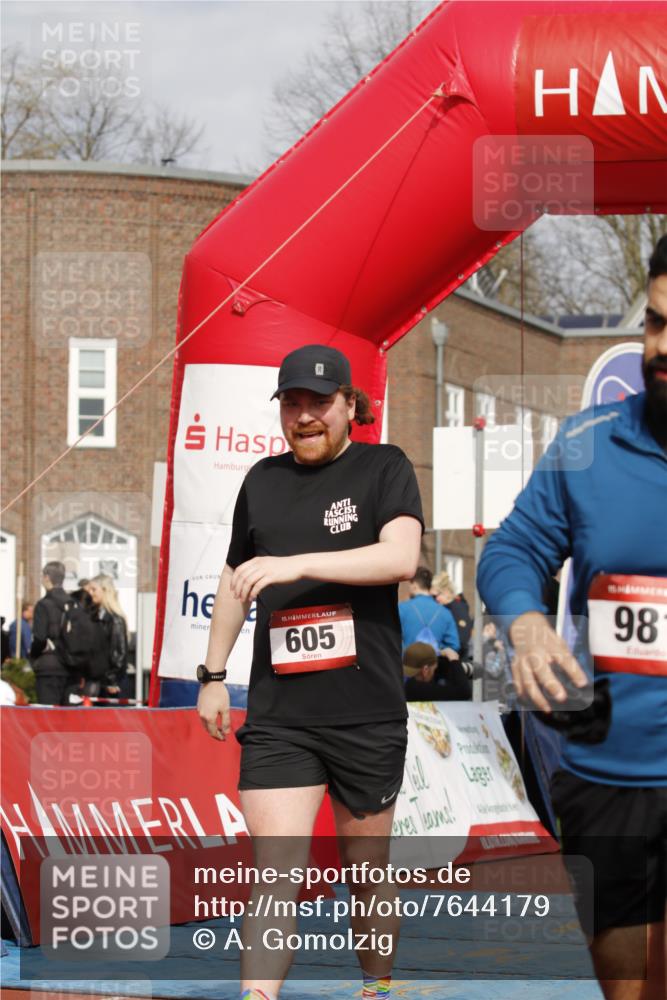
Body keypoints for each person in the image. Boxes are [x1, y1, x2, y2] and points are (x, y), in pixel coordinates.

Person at [197, 344, 423, 1000]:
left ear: (350, 406)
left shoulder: (384, 467)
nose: (304, 416)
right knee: (275, 872)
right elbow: (234, 580)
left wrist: (297, 564)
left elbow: (400, 558)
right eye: (291, 403)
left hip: (364, 711)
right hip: (280, 720)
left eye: (319, 403)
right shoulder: (261, 481)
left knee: (365, 872)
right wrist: (212, 675)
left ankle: (376, 984)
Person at [477, 235, 667, 1000]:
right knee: (620, 986)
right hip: (605, 773)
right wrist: (524, 621)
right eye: (655, 323)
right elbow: (510, 551)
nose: (663, 346)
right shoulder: (585, 447)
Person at [29, 562, 76, 705]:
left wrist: (33, 657)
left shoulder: (44, 605)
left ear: (47, 577)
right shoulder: (73, 603)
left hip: (49, 667)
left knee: (48, 716)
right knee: (67, 718)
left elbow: (40, 637)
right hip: (72, 666)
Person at [398, 566, 459, 658]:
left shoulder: (402, 608)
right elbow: (454, 645)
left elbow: (392, 640)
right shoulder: (445, 613)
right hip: (435, 668)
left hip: (407, 666)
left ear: (414, 585)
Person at [86, 574, 129, 698]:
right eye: (89, 589)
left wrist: (111, 680)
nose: (90, 593)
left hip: (110, 685)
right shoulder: (93, 616)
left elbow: (119, 653)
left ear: (105, 590)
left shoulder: (115, 619)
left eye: (94, 589)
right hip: (97, 681)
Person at [403, 641, 471, 701]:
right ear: (425, 670)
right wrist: (454, 660)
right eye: (434, 669)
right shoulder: (415, 689)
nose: (434, 672)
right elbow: (463, 692)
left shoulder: (405, 684)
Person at [430, 571, 473, 660]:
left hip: (457, 659)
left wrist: (442, 648)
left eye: (436, 596)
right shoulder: (445, 609)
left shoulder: (458, 608)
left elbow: (462, 639)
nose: (435, 600)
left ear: (446, 592)